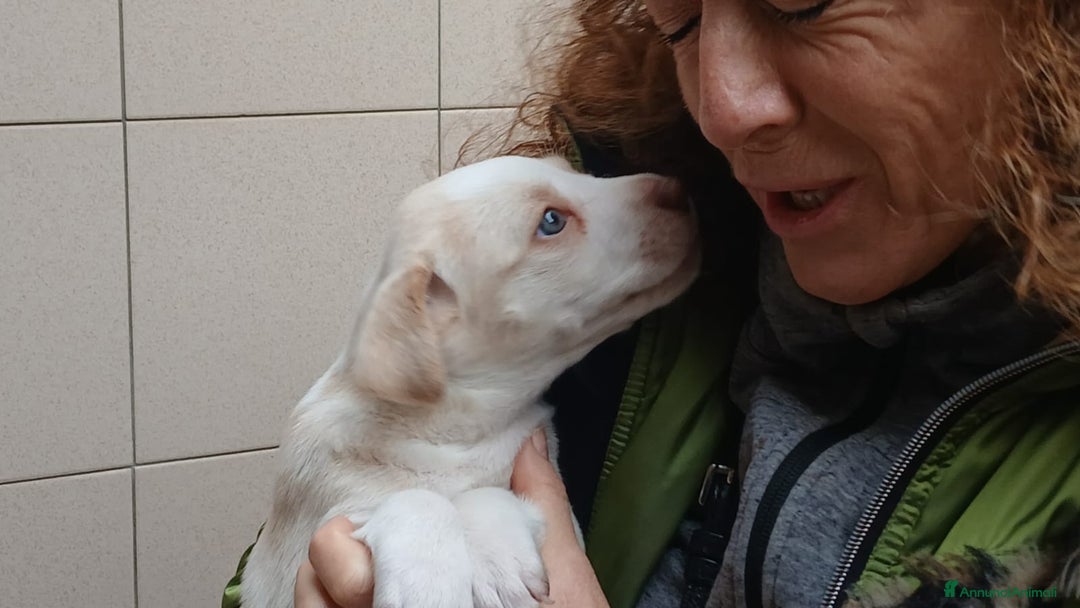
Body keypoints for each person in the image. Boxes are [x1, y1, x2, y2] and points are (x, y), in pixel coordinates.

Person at [225, 1, 1080, 606]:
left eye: (803, 3)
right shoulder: (627, 292)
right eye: (681, 23)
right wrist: (333, 571)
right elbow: (293, 553)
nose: (722, 108)